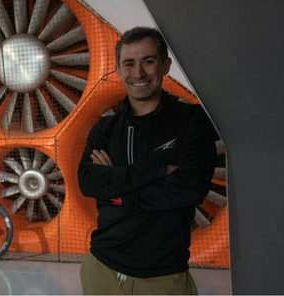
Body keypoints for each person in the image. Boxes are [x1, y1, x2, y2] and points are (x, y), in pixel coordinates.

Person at [77, 26, 217, 295]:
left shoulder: (192, 121)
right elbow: (88, 182)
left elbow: (191, 186)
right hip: (101, 271)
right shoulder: (104, 129)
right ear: (118, 70)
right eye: (129, 63)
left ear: (165, 65)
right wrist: (159, 169)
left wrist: (118, 191)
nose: (138, 73)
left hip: (163, 278)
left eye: (148, 61)